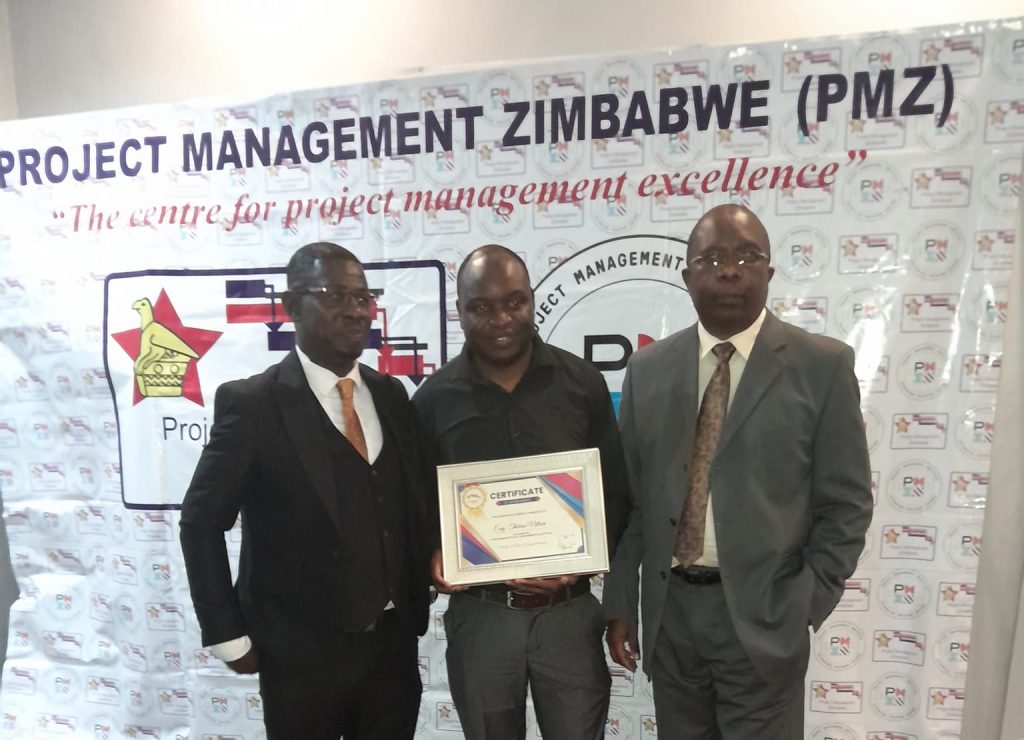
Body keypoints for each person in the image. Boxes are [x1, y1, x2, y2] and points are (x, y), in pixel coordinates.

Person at [603, 205, 872, 738]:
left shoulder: (821, 367)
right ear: (687, 277)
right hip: (672, 618)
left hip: (764, 620)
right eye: (712, 259)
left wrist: (802, 605)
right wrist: (621, 603)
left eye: (747, 257)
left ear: (769, 273)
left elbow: (847, 505)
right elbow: (630, 500)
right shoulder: (648, 369)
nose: (729, 271)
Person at [179, 242, 430, 740]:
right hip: (297, 658)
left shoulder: (390, 394)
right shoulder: (253, 404)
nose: (355, 310)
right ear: (292, 305)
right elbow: (200, 522)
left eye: (362, 297)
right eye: (335, 295)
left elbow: (406, 503)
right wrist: (227, 633)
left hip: (392, 652)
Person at [412, 244, 631, 740]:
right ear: (460, 311)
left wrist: (583, 560)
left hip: (569, 616)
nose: (500, 319)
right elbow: (418, 507)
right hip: (483, 617)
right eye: (481, 306)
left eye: (514, 302)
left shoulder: (582, 384)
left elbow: (615, 491)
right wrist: (433, 556)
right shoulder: (433, 400)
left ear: (530, 299)